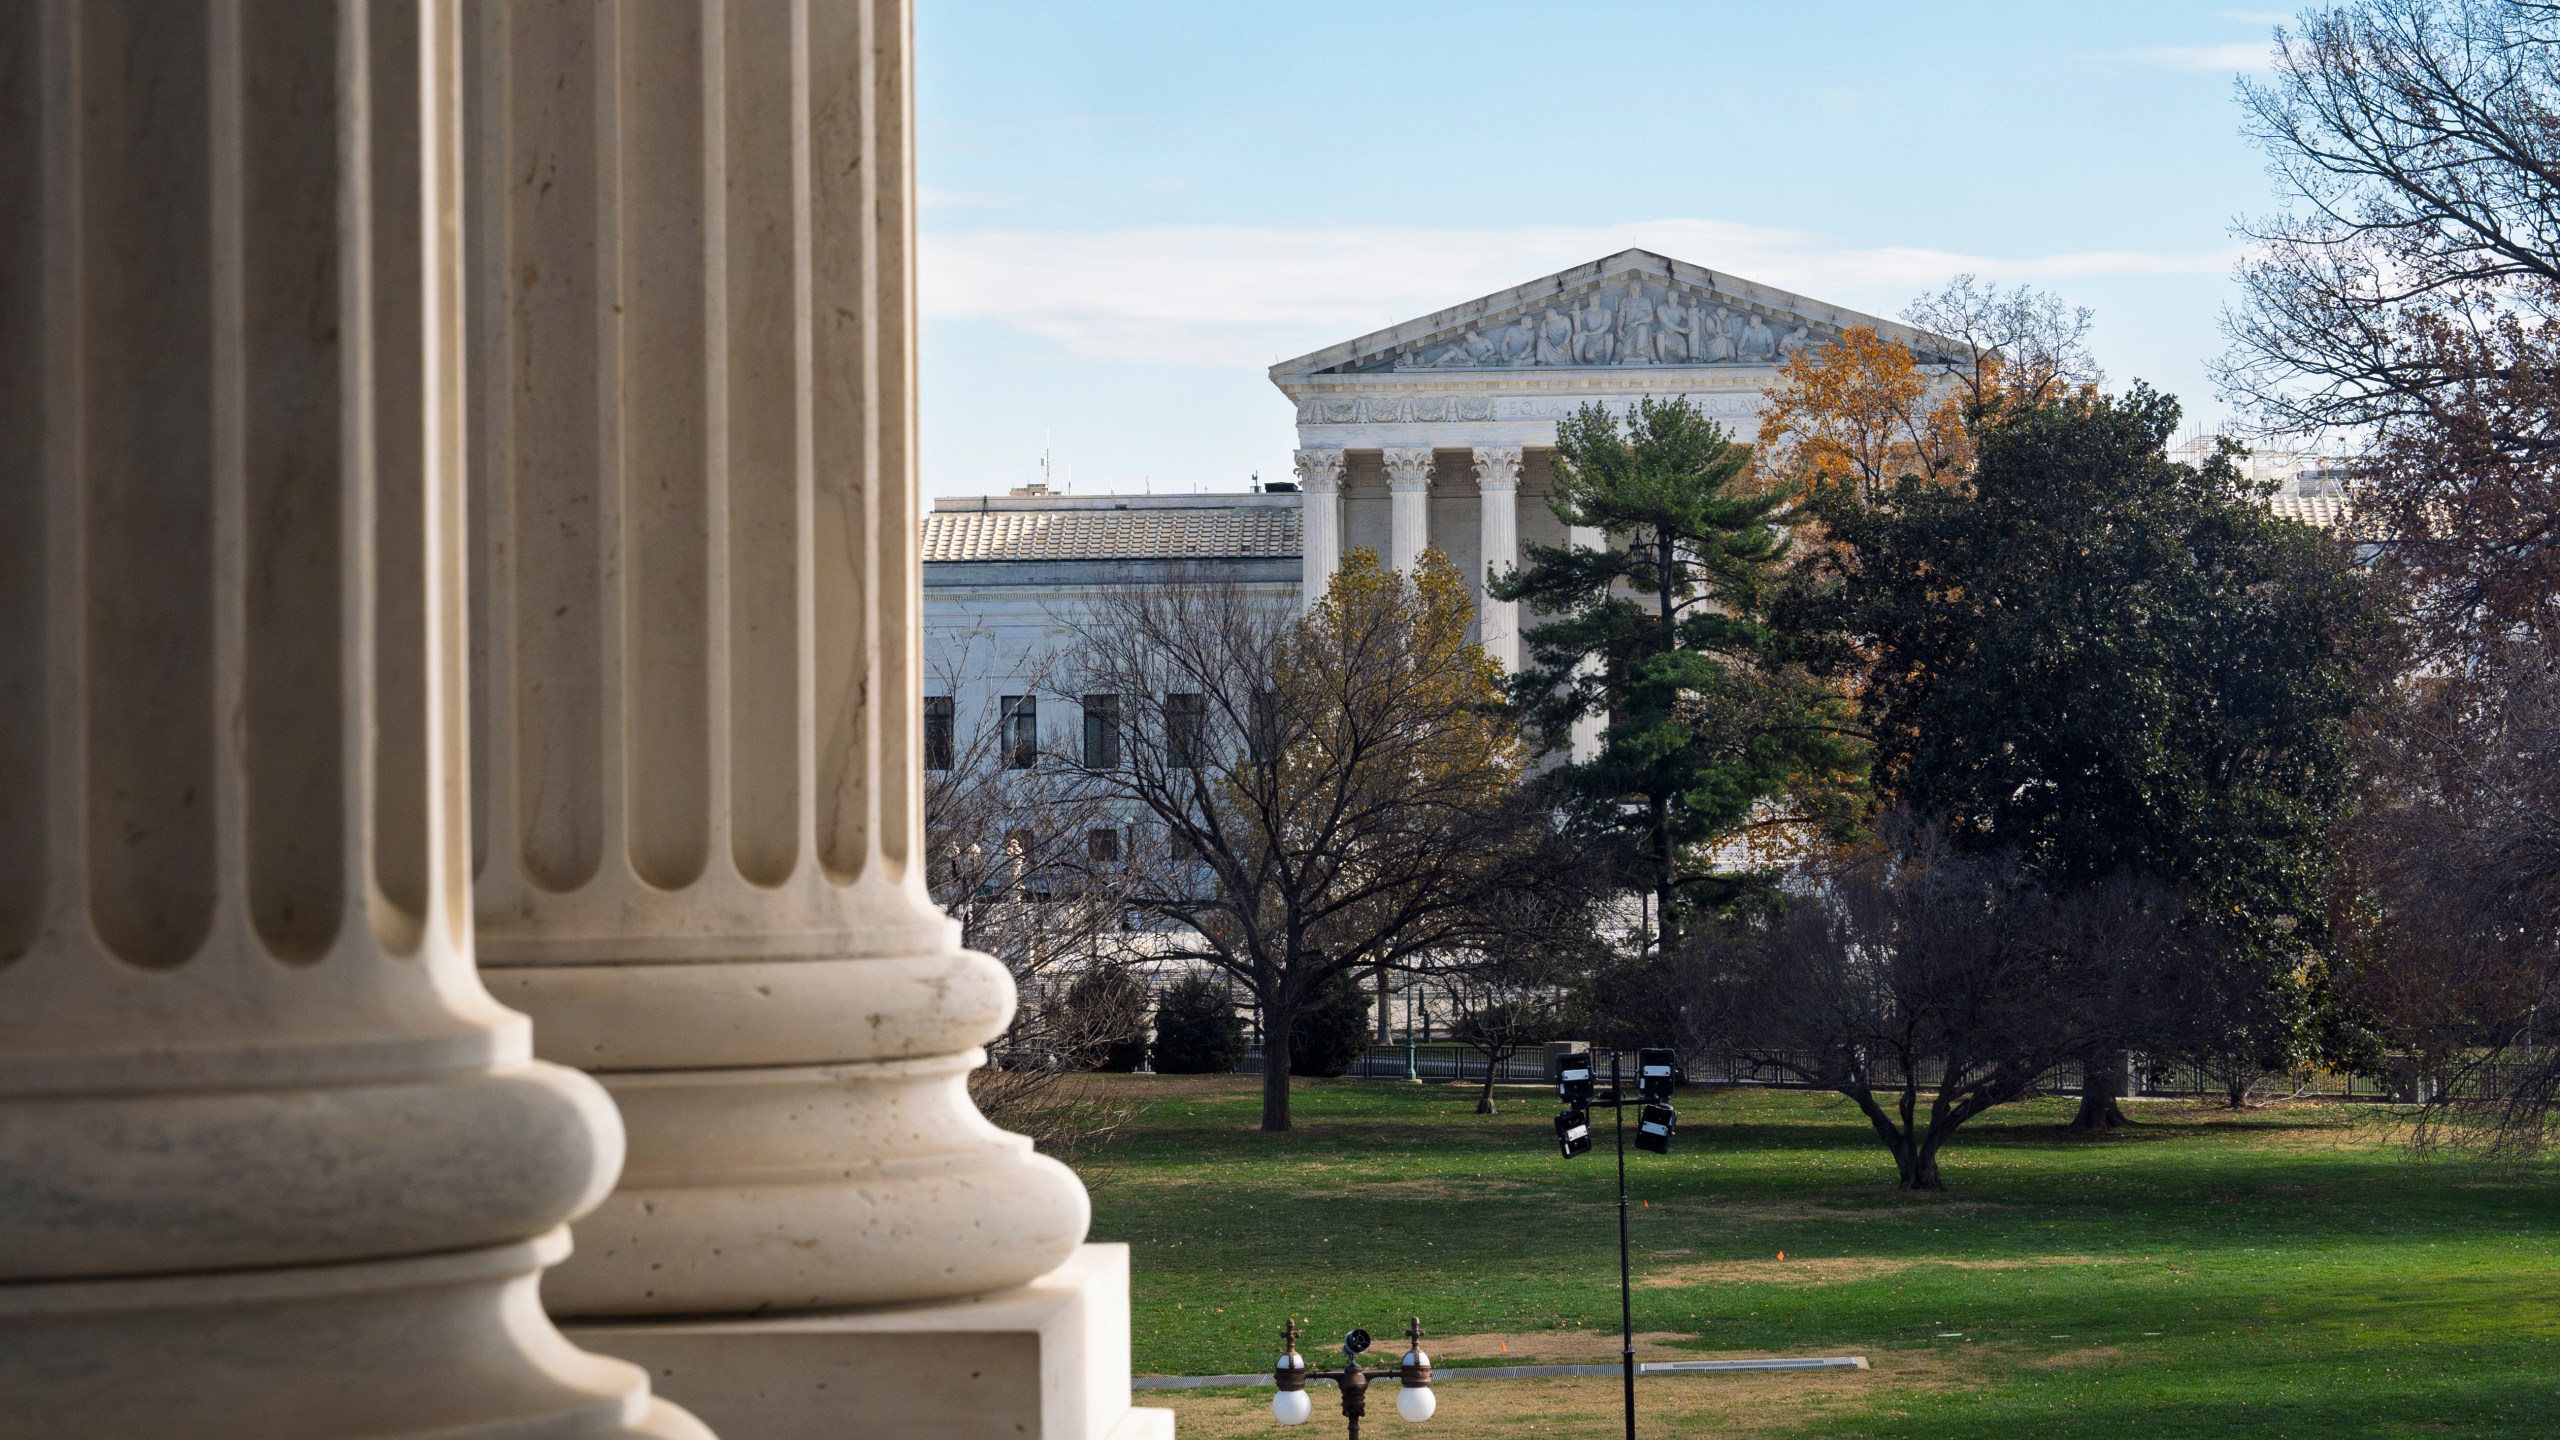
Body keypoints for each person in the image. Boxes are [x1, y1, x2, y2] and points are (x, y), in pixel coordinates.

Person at [1574, 292, 1615, 365]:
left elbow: (1605, 328)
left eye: (1598, 298)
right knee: (1589, 356)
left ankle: (1607, 360)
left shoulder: (1605, 311)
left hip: (1602, 338)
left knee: (1609, 336)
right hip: (1590, 340)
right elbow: (1578, 327)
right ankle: (1597, 367)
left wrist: (1589, 333)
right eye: (1595, 297)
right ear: (1590, 299)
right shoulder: (1585, 312)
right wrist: (1575, 311)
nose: (1598, 299)